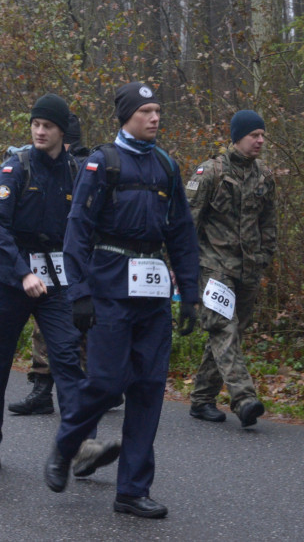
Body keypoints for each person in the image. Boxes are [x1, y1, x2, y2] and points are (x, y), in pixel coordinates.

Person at [45, 81, 200, 519]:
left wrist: (189, 293)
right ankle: (67, 443)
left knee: (149, 389)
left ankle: (132, 490)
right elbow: (76, 231)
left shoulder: (166, 166)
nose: (155, 118)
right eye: (146, 111)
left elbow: (182, 233)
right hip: (110, 287)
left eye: (157, 111)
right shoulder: (102, 164)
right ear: (127, 116)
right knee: (109, 383)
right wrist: (79, 293)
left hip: (153, 294)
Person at [0, 96, 119, 474]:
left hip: (57, 279)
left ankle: (81, 444)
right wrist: (23, 272)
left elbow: (88, 227)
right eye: (36, 124)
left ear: (62, 134)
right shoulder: (15, 169)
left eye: (48, 126)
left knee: (68, 359)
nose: (40, 131)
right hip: (12, 277)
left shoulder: (75, 172)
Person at [186, 110, 276, 427]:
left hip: (248, 268)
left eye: (263, 135)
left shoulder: (263, 176)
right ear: (238, 137)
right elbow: (188, 223)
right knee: (223, 327)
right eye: (255, 135)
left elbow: (269, 222)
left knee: (229, 333)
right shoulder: (209, 173)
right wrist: (183, 268)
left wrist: (265, 255)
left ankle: (201, 399)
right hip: (213, 266)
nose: (260, 140)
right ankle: (244, 398)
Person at [9, 112, 89, 416]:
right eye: (37, 126)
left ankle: (83, 388)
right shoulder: (28, 166)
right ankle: (47, 389)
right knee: (52, 326)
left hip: (74, 260)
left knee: (74, 325)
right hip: (49, 259)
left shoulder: (81, 169)